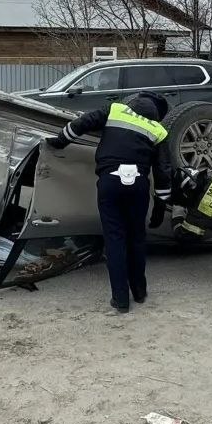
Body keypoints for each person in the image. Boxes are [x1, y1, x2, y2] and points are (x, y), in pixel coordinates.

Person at [48, 92, 173, 313]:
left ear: (133, 103)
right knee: (136, 238)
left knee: (115, 240)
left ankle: (121, 300)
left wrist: (60, 141)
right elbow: (163, 172)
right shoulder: (159, 130)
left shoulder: (115, 110)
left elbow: (82, 123)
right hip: (138, 186)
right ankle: (140, 292)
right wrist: (161, 207)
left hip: (110, 182)